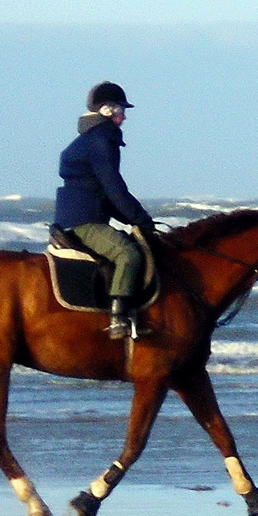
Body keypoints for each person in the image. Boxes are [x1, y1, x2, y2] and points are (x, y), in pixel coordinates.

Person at [55, 81, 158, 339]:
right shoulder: (101, 141)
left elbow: (106, 194)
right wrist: (141, 219)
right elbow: (114, 188)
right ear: (105, 111)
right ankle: (118, 319)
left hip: (76, 217)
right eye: (121, 111)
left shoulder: (88, 140)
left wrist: (135, 220)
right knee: (128, 254)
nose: (123, 117)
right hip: (84, 222)